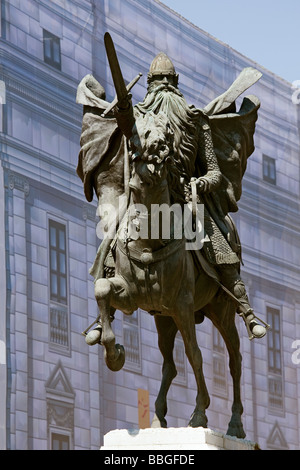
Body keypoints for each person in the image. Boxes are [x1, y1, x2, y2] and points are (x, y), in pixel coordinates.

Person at [77, 51, 267, 339]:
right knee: (112, 234)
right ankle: (106, 316)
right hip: (141, 198)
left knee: (219, 241)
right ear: (152, 87)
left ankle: (245, 309)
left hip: (187, 204)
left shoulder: (196, 120)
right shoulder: (137, 118)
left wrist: (199, 185)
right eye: (159, 84)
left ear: (174, 85)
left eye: (167, 83)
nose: (163, 90)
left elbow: (214, 173)